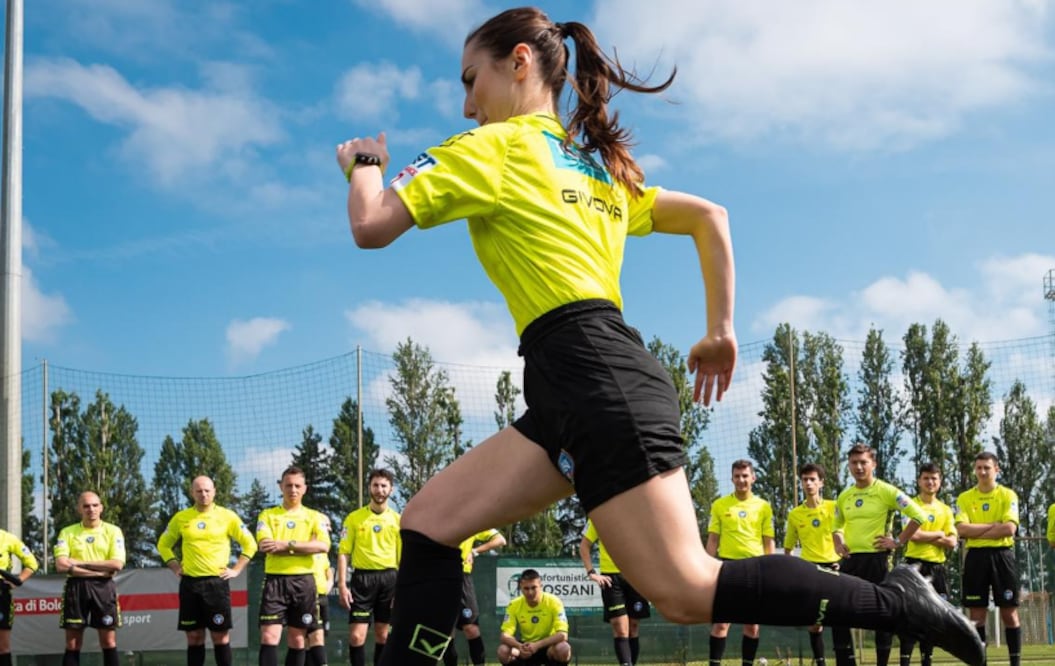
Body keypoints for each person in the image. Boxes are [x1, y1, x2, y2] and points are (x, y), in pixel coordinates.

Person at [334, 7, 984, 666]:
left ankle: (896, 601)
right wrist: (720, 330)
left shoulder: (490, 148)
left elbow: (371, 223)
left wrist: (364, 161)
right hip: (575, 385)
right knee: (428, 524)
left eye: (471, 79)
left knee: (685, 588)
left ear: (520, 64)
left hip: (592, 377)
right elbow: (709, 215)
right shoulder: (596, 169)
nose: (468, 104)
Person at [831, 444, 928, 666]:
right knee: (839, 611)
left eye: (863, 462)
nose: (858, 467)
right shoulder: (845, 496)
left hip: (878, 561)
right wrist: (838, 541)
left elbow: (918, 515)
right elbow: (836, 524)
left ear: (873, 464)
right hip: (850, 561)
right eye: (854, 463)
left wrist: (898, 541)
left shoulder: (887, 491)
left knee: (881, 616)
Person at [157, 475, 257, 666]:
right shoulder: (181, 518)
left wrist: (236, 569)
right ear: (192, 493)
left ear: (214, 491)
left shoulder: (227, 516)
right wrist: (175, 566)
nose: (203, 494)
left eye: (207, 490)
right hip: (190, 584)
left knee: (220, 636)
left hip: (216, 584)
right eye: (199, 491)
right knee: (194, 637)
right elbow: (163, 545)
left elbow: (250, 544)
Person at [256, 466, 332, 666]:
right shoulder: (267, 515)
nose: (293, 490)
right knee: (269, 637)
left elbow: (323, 546)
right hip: (275, 581)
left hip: (304, 582)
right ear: (281, 487)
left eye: (297, 485)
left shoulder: (315, 517)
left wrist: (285, 544)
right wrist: (303, 547)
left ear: (305, 488)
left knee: (298, 639)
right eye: (288, 485)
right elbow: (265, 545)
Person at [955, 451, 1021, 666]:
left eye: (987, 468)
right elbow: (961, 530)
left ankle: (1015, 662)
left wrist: (977, 531)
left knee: (1009, 614)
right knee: (976, 616)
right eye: (979, 468)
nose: (982, 472)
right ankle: (980, 662)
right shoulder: (965, 498)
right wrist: (994, 526)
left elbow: (1009, 528)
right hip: (975, 558)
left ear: (996, 470)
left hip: (1002, 556)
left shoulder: (1008, 495)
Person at [706, 460, 774, 666]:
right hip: (727, 567)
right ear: (731, 478)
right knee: (720, 624)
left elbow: (768, 541)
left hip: (755, 568)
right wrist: (707, 567)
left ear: (753, 478)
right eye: (737, 476)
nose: (741, 480)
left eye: (745, 476)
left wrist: (770, 571)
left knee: (752, 626)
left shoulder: (763, 506)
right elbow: (713, 540)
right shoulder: (719, 505)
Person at [54, 491, 126, 666]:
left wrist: (78, 563)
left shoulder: (113, 531)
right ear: (79, 509)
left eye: (95, 505)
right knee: (73, 643)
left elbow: (116, 564)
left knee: (108, 642)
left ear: (101, 508)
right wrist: (97, 571)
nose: (91, 509)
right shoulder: (67, 532)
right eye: (86, 506)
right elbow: (61, 565)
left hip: (104, 588)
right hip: (76, 587)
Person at [337, 469, 401, 666]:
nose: (379, 490)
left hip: (390, 579)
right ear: (369, 488)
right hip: (362, 580)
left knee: (383, 635)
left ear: (391, 489)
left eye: (384, 486)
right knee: (357, 637)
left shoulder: (398, 520)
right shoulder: (354, 518)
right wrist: (342, 585)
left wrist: (402, 588)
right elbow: (343, 552)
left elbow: (404, 558)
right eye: (375, 485)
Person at [898, 463, 957, 666]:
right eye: (926, 478)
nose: (930, 482)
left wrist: (930, 537)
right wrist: (940, 534)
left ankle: (927, 659)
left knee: (933, 615)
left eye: (934, 478)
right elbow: (911, 535)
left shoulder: (946, 510)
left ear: (939, 482)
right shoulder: (909, 505)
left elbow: (952, 542)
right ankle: (905, 659)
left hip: (937, 567)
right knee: (909, 614)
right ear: (919, 481)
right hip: (914, 566)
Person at [783, 463, 839, 666]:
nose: (808, 483)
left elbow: (845, 537)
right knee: (815, 623)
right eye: (805, 480)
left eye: (812, 479)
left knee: (842, 619)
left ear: (821, 482)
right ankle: (821, 662)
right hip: (810, 570)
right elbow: (788, 548)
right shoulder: (795, 514)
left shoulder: (834, 507)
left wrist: (843, 561)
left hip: (835, 567)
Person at [579, 519, 649, 666]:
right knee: (620, 628)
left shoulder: (640, 512)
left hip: (636, 575)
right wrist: (591, 573)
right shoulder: (598, 515)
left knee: (633, 627)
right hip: (611, 578)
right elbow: (584, 546)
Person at [444, 528, 507, 666]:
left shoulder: (472, 521)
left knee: (471, 629)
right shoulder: (439, 520)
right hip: (441, 580)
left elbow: (501, 540)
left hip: (463, 579)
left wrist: (475, 551)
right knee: (447, 635)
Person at [497, 569, 571, 665]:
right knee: (503, 650)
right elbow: (504, 636)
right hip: (525, 648)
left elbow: (563, 635)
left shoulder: (554, 602)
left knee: (563, 648)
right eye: (526, 588)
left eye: (534, 588)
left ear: (541, 586)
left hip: (548, 647)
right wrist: (519, 646)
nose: (530, 592)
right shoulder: (514, 604)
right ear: (520, 588)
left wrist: (537, 645)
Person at [0, 527, 39, 666]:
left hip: (1, 594)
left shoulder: (7, 538)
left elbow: (32, 563)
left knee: (2, 646)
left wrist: (18, 581)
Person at [307, 532, 335, 666]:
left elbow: (329, 574)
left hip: (322, 598)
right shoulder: (302, 550)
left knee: (319, 636)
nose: (327, 530)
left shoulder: (323, 554)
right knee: (311, 637)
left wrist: (327, 586)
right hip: (307, 598)